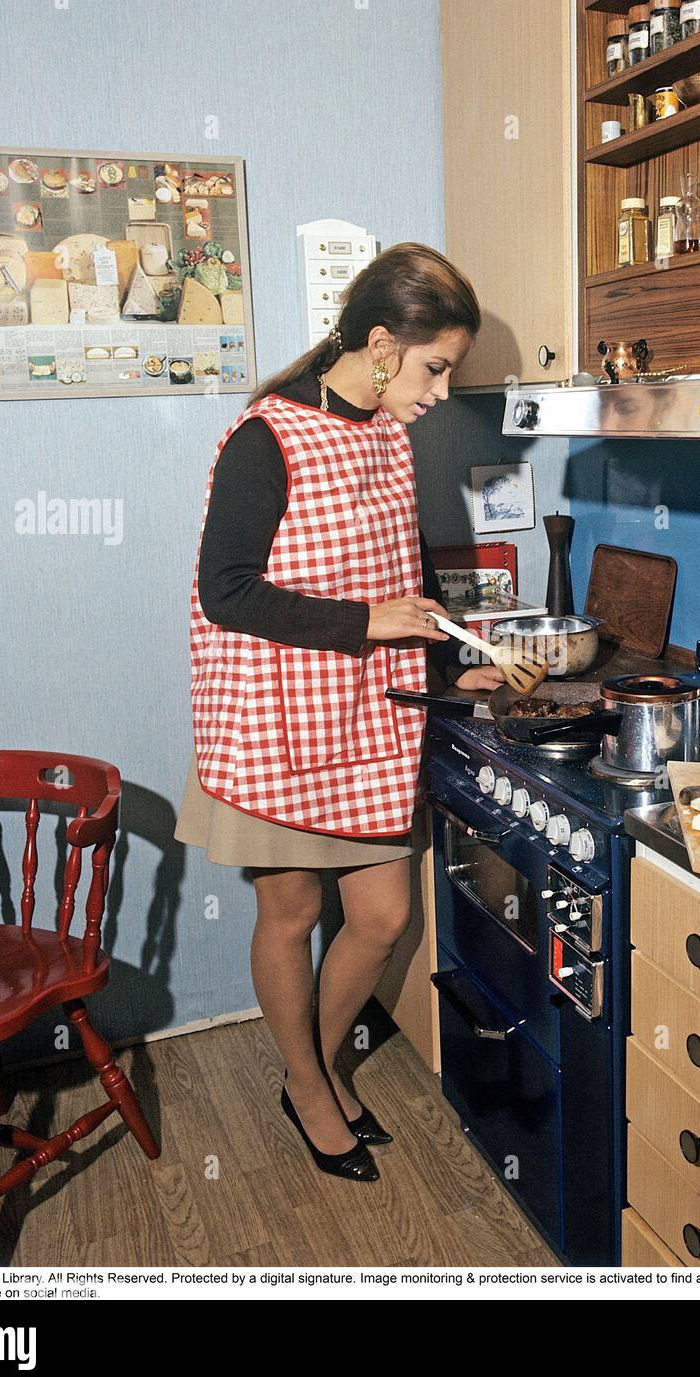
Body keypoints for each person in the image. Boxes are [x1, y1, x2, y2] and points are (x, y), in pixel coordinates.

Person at [174, 244, 504, 1182]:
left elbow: (411, 573)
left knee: (382, 915)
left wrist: (449, 658)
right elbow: (226, 592)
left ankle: (307, 1064)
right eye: (435, 367)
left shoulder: (389, 435)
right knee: (289, 915)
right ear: (379, 344)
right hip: (275, 719)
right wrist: (368, 622)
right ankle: (310, 1086)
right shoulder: (266, 436)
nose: (442, 391)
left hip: (368, 713)